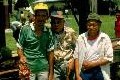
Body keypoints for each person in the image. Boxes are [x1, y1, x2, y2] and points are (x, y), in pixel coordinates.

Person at [17, 3, 54, 80]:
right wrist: (21, 56)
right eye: (39, 15)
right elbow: (19, 47)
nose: (41, 18)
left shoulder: (48, 31)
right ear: (34, 16)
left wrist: (51, 73)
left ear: (47, 17)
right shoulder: (25, 29)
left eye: (43, 16)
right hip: (28, 69)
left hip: (43, 68)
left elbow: (51, 52)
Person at [73, 13, 113, 80]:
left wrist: (92, 64)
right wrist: (77, 75)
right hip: (84, 70)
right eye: (89, 25)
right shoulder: (81, 38)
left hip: (99, 70)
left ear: (99, 25)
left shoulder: (105, 38)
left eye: (94, 25)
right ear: (86, 25)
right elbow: (76, 57)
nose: (91, 27)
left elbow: (109, 58)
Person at [49, 10, 77, 80]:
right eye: (53, 22)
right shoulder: (48, 33)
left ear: (63, 22)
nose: (56, 25)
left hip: (69, 64)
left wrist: (73, 61)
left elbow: (77, 49)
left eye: (58, 22)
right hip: (55, 66)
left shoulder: (70, 32)